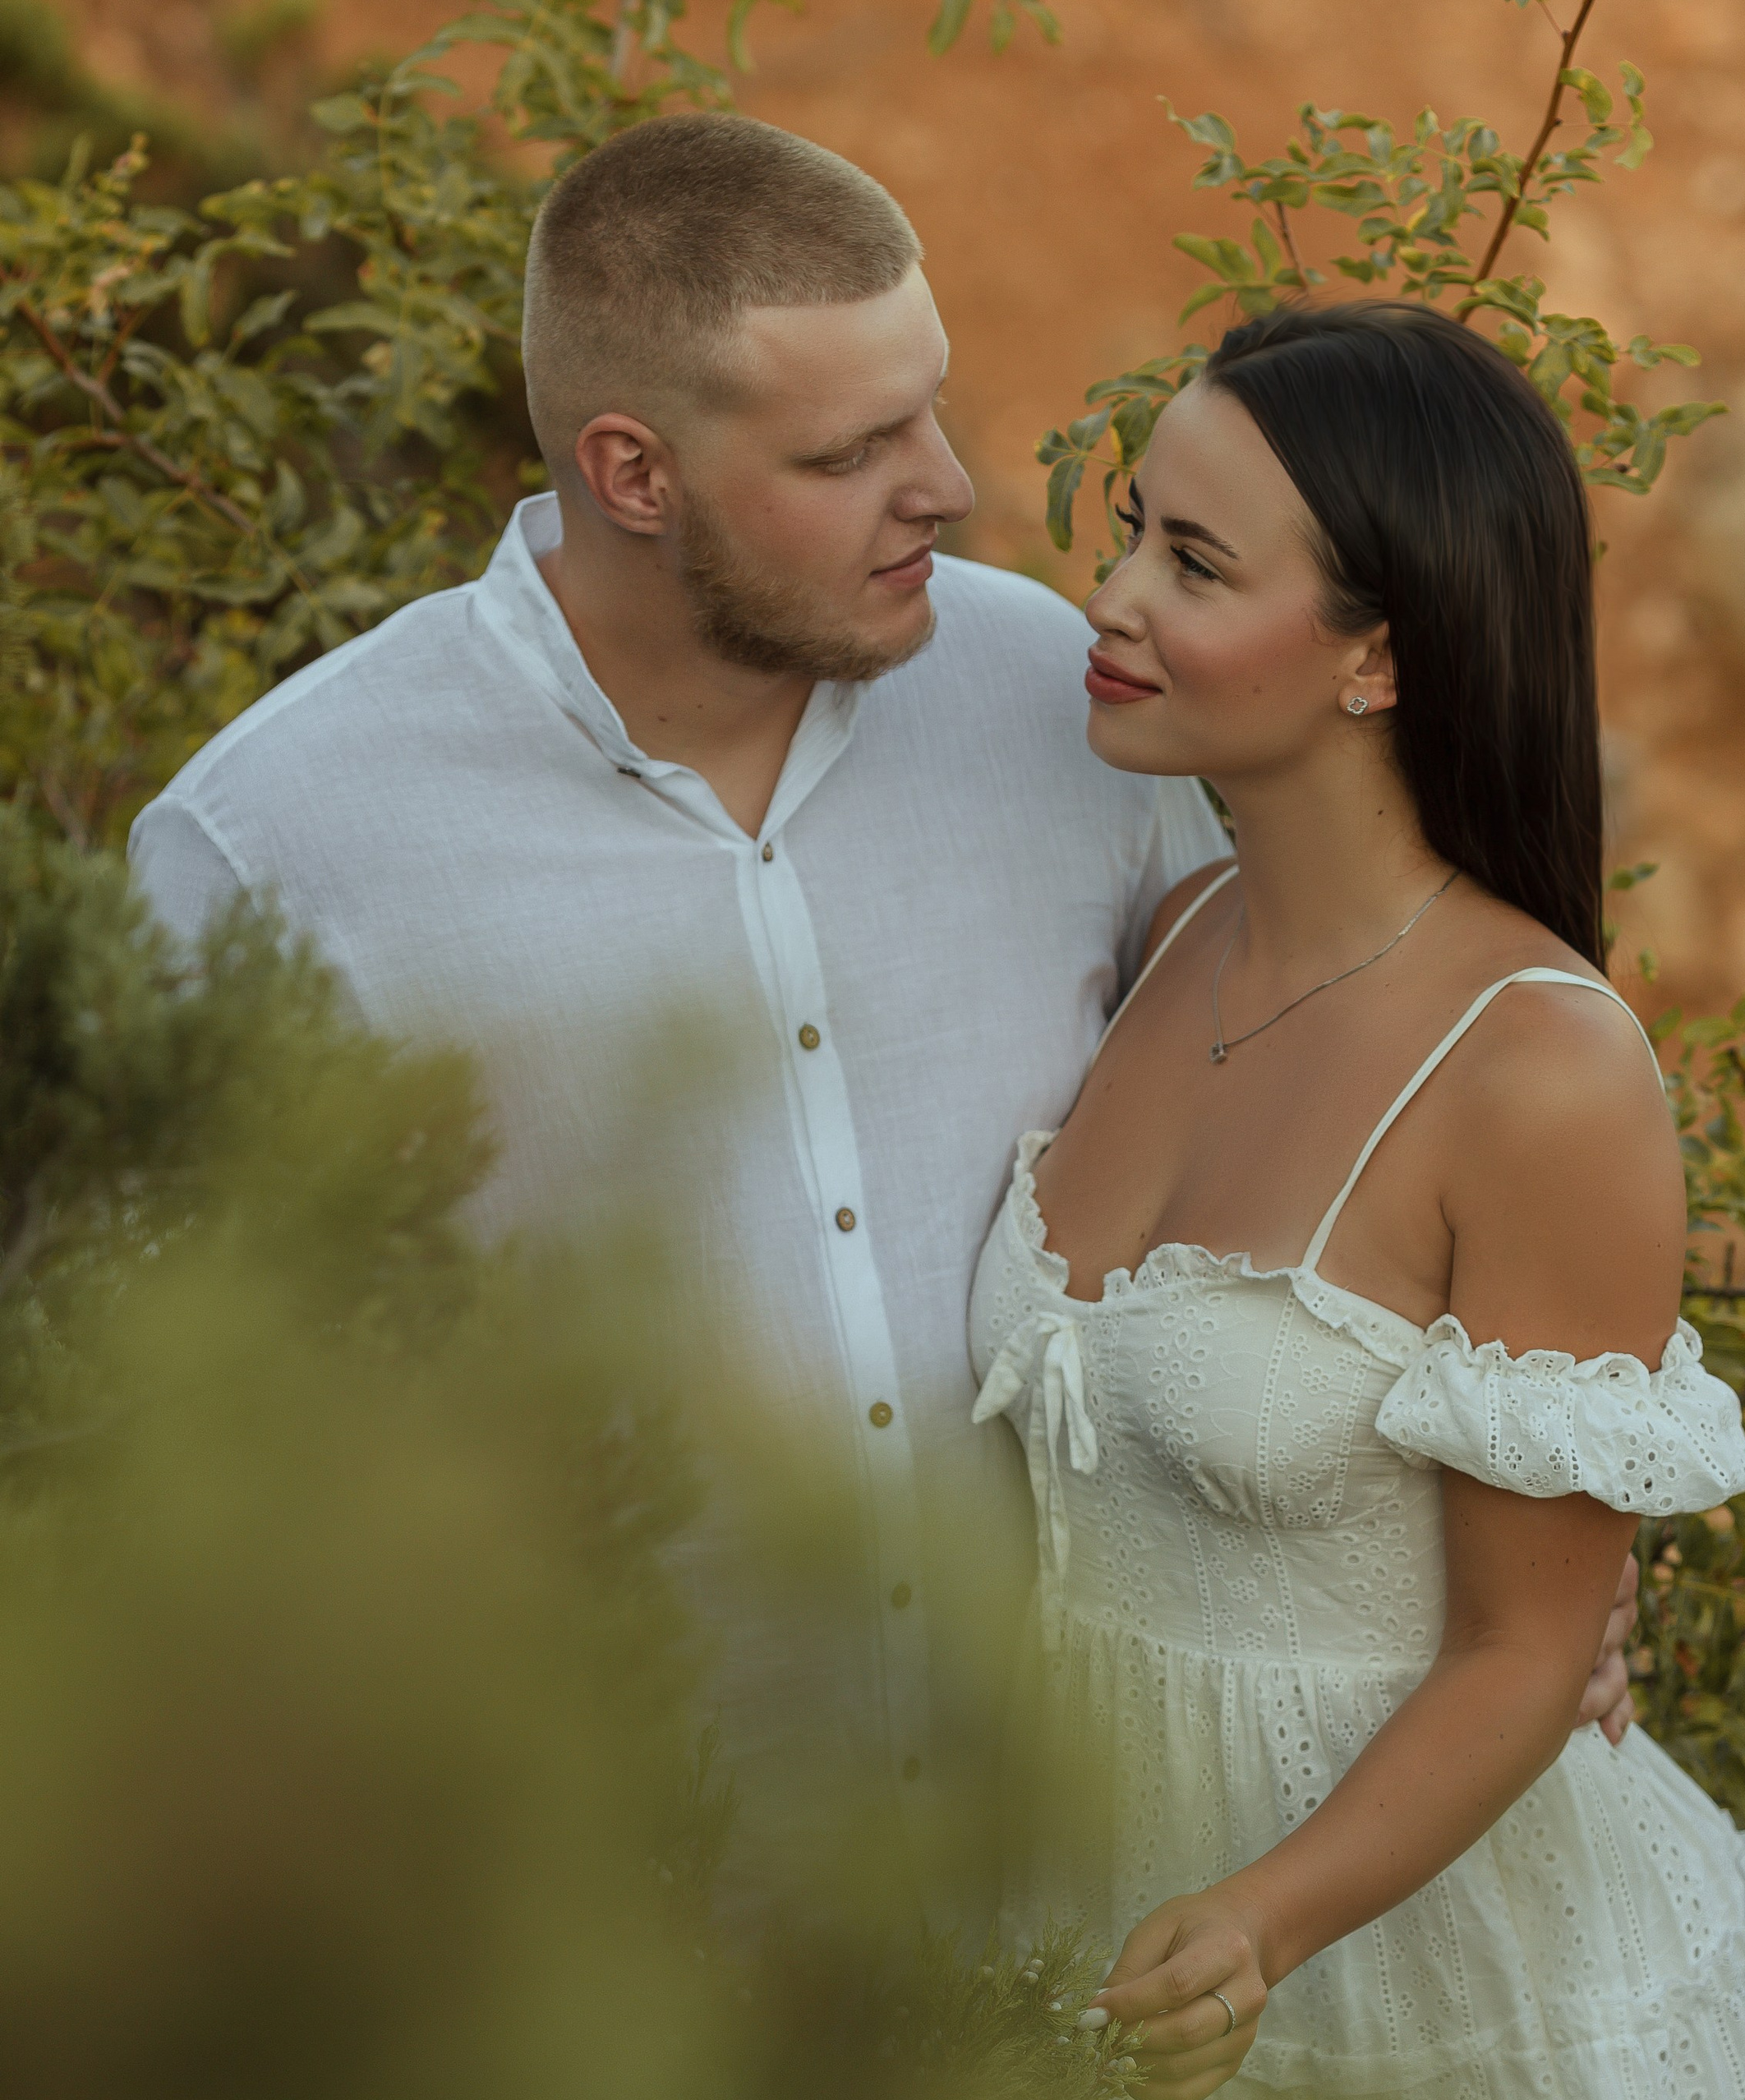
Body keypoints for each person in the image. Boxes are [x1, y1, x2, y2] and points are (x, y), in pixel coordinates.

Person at [127, 113, 1633, 1889]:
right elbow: (165, 1453)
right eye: (851, 451)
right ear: (633, 473)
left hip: (1095, 1890)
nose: (948, 485)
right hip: (605, 1918)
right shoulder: (272, 849)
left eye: (930, 403)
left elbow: (1347, 1120)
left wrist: (1533, 1562)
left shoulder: (1061, 704)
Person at [968, 303, 1745, 2100]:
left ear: (1379, 655)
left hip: (1413, 1970)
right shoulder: (1172, 936)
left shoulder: (1541, 1066)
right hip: (1087, 1911)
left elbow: (1522, 1650)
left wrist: (1265, 1922)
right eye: (1134, 533)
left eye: (1195, 563)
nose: (1109, 598)